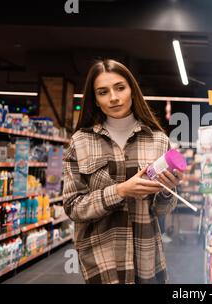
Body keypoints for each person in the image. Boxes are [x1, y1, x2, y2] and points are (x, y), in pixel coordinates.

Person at [62, 59, 183, 284]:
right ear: (96, 101)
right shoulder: (80, 142)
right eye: (103, 92)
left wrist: (168, 190)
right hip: (101, 257)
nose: (114, 97)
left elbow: (161, 210)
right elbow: (73, 207)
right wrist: (120, 191)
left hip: (146, 255)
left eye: (120, 88)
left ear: (132, 91)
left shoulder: (158, 141)